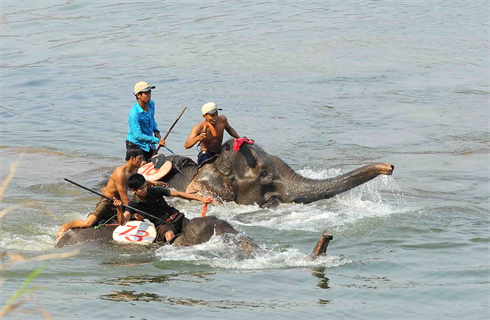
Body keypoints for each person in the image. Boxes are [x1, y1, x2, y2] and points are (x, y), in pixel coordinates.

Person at [56, 146, 165, 241]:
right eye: (140, 159)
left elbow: (139, 181)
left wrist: (154, 183)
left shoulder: (134, 170)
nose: (142, 162)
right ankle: (67, 226)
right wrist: (135, 211)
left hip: (120, 203)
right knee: (88, 223)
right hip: (108, 201)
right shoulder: (120, 172)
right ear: (132, 158)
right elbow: (124, 196)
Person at [113, 173, 211, 243]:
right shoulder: (133, 204)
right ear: (133, 190)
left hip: (177, 217)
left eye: (145, 186)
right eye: (141, 189)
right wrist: (119, 209)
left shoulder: (156, 190)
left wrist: (200, 199)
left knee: (198, 229)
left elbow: (178, 194)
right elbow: (123, 222)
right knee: (169, 235)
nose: (145, 190)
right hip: (163, 224)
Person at [126, 81, 166, 162]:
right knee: (142, 166)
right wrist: (157, 141)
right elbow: (138, 135)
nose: (149, 95)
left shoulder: (151, 104)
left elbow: (152, 119)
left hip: (147, 143)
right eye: (146, 93)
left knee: (157, 162)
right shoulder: (134, 113)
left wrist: (156, 131)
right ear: (138, 95)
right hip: (135, 144)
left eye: (149, 92)